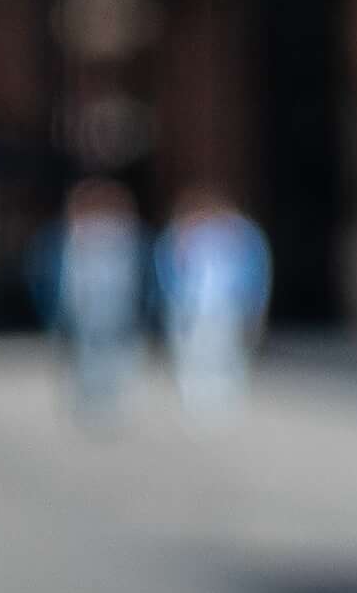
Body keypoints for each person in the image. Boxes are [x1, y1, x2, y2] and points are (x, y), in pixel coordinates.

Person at [39, 177, 149, 429]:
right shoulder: (71, 239)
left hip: (115, 306)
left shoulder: (126, 240)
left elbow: (135, 276)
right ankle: (88, 399)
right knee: (85, 353)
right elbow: (62, 277)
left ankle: (111, 399)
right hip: (84, 308)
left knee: (114, 353)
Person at [157, 189, 269, 423]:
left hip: (225, 304)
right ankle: (196, 396)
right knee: (194, 351)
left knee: (226, 349)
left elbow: (254, 272)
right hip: (192, 303)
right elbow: (168, 268)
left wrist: (252, 302)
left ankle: (225, 397)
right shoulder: (182, 237)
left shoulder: (242, 237)